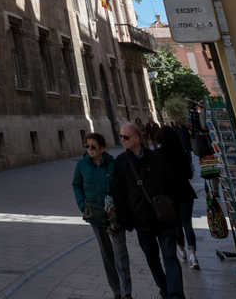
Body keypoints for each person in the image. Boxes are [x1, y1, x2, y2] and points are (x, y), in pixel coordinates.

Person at [111, 122, 185, 299]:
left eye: (126, 137)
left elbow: (170, 185)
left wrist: (172, 208)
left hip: (163, 218)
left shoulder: (156, 158)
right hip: (141, 221)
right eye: (120, 136)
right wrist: (125, 220)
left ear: (137, 138)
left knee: (170, 257)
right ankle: (164, 289)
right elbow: (118, 194)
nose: (122, 140)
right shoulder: (121, 163)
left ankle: (175, 295)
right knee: (152, 259)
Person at [73, 132, 131, 299]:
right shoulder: (82, 165)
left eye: (93, 146)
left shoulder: (112, 164)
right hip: (95, 216)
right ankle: (116, 291)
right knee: (106, 255)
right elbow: (76, 185)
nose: (90, 150)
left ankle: (127, 291)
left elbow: (121, 187)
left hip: (114, 216)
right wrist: (82, 204)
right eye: (87, 146)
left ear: (102, 148)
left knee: (121, 254)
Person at [159, 100, 202, 271]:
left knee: (176, 224)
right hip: (185, 192)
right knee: (187, 224)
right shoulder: (183, 154)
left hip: (170, 196)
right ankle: (193, 255)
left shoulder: (158, 156)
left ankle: (182, 251)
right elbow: (190, 174)